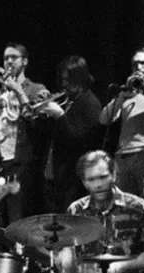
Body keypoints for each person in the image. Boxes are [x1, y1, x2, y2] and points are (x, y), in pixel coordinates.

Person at [0, 42, 48, 252]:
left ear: (24, 61)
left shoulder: (36, 89)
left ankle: (20, 266)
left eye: (14, 57)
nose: (9, 61)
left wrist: (17, 90)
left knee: (18, 221)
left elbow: (35, 120)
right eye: (6, 57)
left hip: (20, 162)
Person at [99, 47, 144, 196]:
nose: (138, 67)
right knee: (124, 205)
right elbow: (104, 119)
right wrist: (121, 97)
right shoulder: (128, 94)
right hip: (123, 157)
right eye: (134, 64)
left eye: (143, 63)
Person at [41, 55, 103, 213]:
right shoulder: (68, 101)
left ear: (79, 79)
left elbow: (80, 142)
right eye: (62, 80)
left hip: (73, 181)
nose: (63, 85)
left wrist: (60, 115)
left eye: (68, 80)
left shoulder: (91, 104)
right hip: (54, 177)